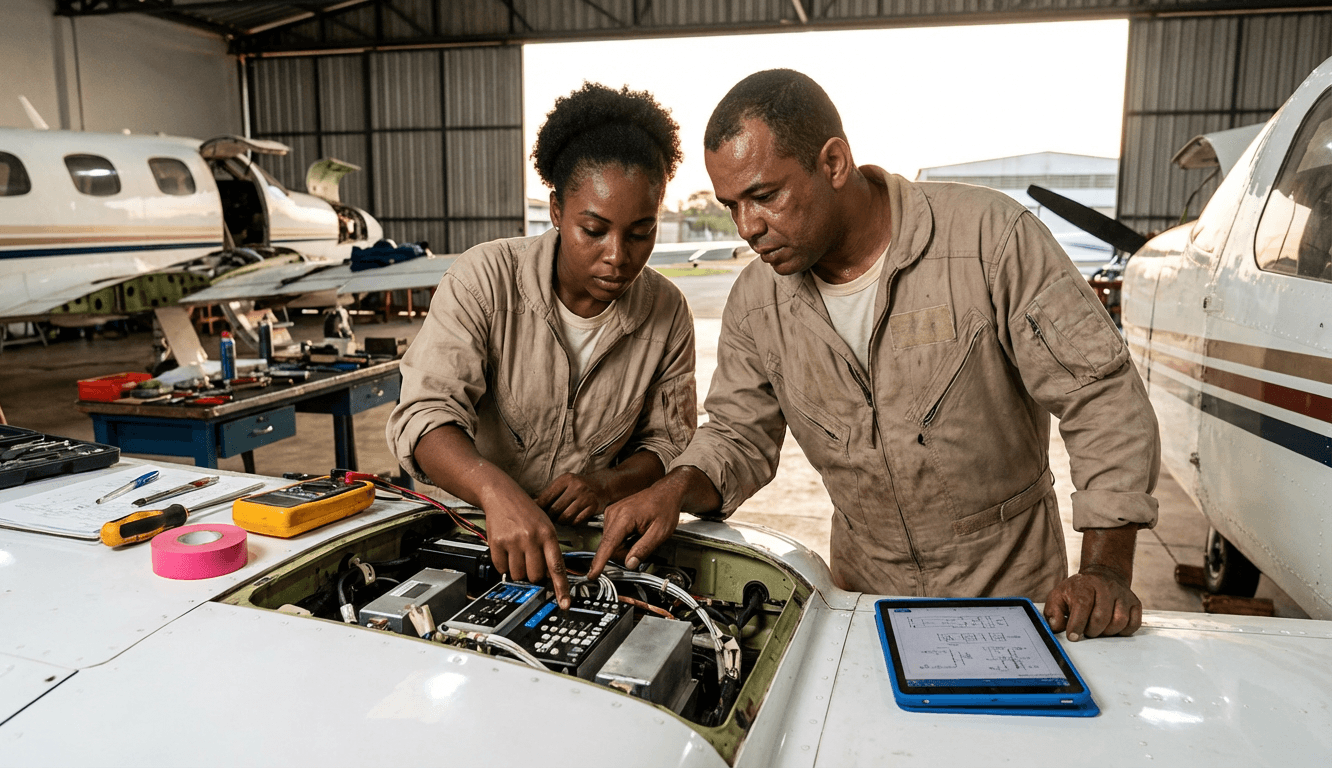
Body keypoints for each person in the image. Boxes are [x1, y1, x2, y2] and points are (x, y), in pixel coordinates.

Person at [591, 69, 1161, 641]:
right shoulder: (756, 304)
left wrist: (1106, 570)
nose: (748, 228)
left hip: (1012, 594)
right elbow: (739, 436)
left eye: (765, 196)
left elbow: (1101, 398)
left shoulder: (990, 241)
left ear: (834, 163)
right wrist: (675, 487)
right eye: (732, 204)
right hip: (867, 599)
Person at [388, 83, 696, 608]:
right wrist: (494, 490)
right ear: (556, 209)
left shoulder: (667, 313)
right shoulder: (485, 278)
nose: (617, 256)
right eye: (593, 230)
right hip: (469, 528)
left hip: (592, 551)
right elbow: (423, 415)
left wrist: (606, 485)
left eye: (641, 232)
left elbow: (668, 443)